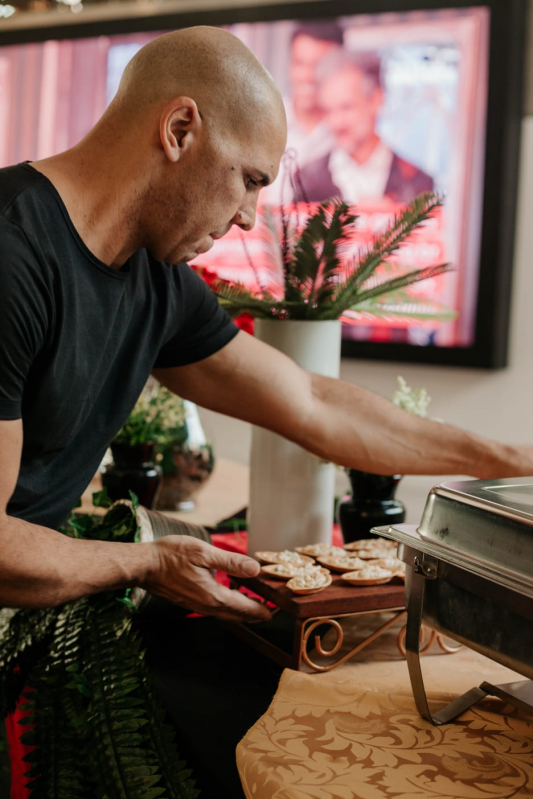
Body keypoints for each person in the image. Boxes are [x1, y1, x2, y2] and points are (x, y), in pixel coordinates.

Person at [1, 26, 532, 620]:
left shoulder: (155, 275)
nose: (251, 218)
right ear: (179, 131)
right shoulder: (12, 251)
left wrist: (510, 462)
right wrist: (148, 562)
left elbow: (311, 404)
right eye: (249, 179)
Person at [296, 50, 434, 204]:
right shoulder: (306, 179)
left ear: (375, 100)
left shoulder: (416, 181)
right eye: (328, 111)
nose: (336, 123)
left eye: (346, 108)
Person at [260, 20, 343, 205]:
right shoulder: (262, 122)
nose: (307, 76)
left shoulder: (348, 133)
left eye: (318, 66)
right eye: (300, 63)